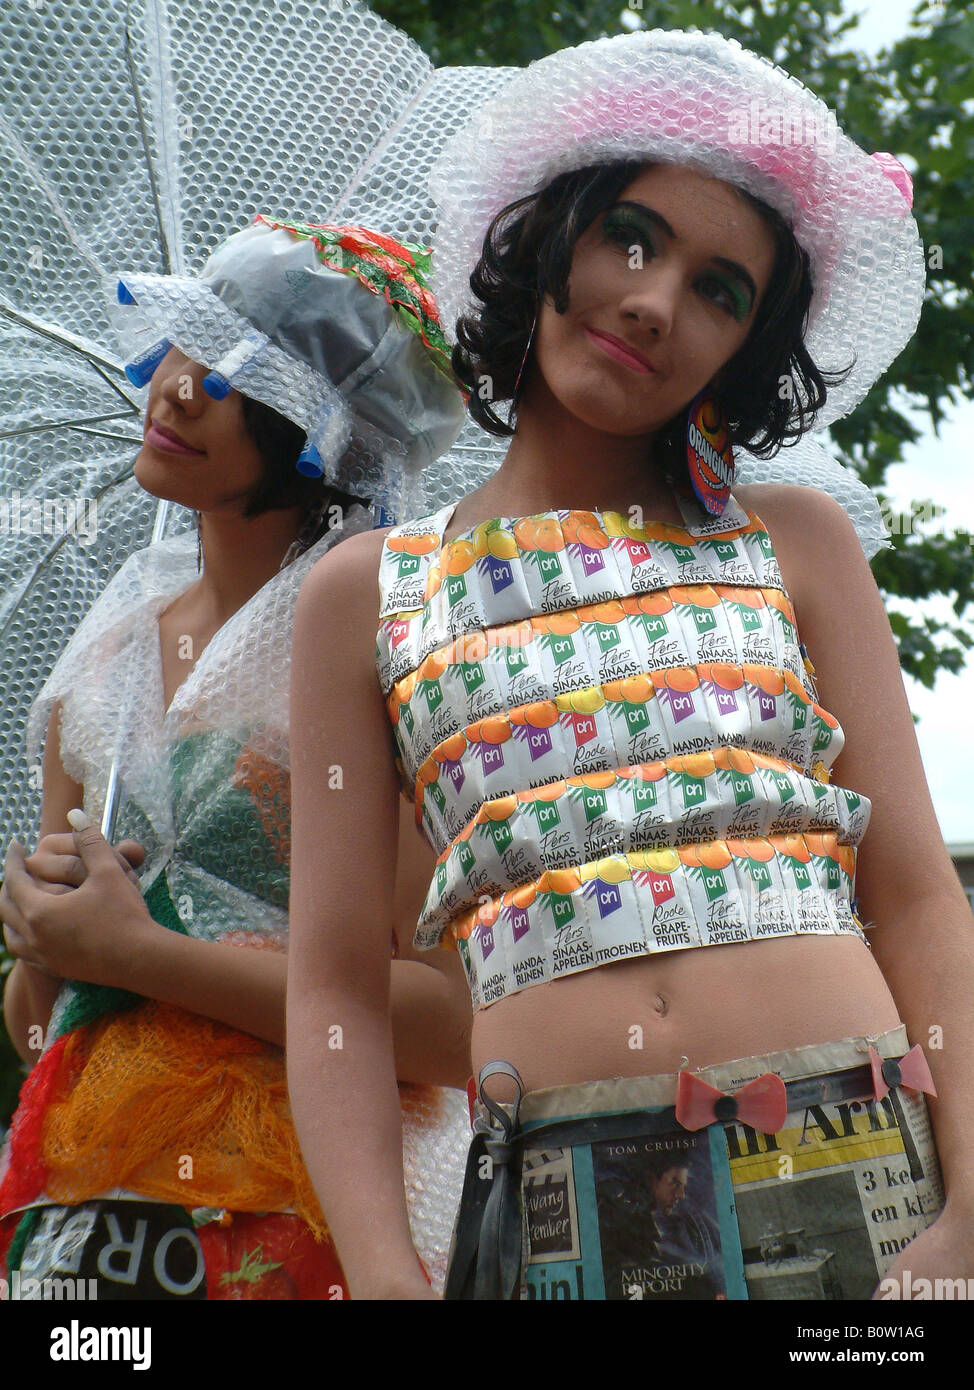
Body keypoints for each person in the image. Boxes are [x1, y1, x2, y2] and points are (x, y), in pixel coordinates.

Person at [286, 30, 973, 1300]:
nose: (654, 301)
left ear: (746, 347)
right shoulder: (361, 594)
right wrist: (382, 1275)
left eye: (720, 289)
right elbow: (332, 981)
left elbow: (922, 898)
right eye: (631, 237)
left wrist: (973, 1213)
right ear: (546, 235)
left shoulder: (797, 544)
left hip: (864, 1175)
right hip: (553, 1206)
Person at [0, 216, 471, 1298]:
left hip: (288, 1216)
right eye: (184, 346)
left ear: (328, 440)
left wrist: (144, 955)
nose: (174, 389)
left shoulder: (384, 661)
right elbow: (42, 1028)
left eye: (234, 377)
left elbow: (449, 1025)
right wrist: (42, 945)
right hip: (74, 1220)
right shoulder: (105, 654)